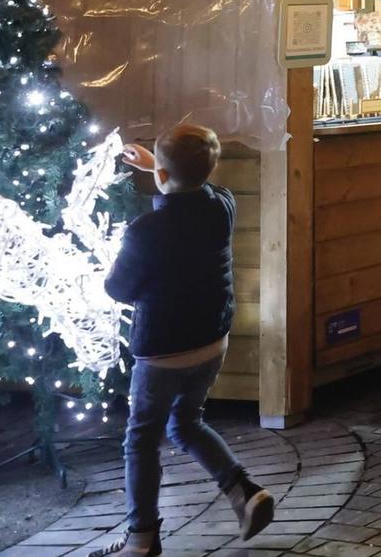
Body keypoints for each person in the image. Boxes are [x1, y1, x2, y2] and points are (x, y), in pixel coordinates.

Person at [99, 125, 276, 557]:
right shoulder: (223, 204)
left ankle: (142, 538)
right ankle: (244, 491)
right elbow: (200, 186)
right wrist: (159, 166)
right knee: (186, 422)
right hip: (212, 341)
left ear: (160, 174)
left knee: (141, 438)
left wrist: (158, 173)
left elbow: (118, 290)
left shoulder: (146, 230)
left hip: (163, 351)